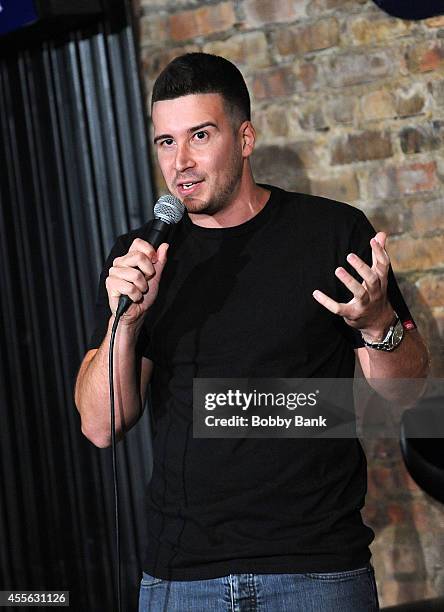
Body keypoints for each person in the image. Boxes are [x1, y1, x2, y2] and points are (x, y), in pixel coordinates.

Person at [74, 53, 429, 611]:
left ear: (244, 138)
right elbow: (100, 426)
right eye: (166, 142)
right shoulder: (142, 256)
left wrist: (378, 323)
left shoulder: (332, 231)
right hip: (182, 581)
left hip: (317, 573)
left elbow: (407, 393)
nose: (181, 162)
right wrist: (129, 322)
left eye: (200, 135)